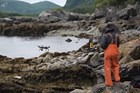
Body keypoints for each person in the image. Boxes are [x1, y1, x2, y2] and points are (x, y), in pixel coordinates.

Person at [99, 23, 120, 87]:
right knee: (116, 65)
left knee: (107, 67)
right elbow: (118, 44)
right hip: (115, 52)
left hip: (108, 53)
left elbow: (103, 45)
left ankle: (108, 83)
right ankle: (117, 79)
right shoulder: (117, 35)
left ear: (107, 29)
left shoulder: (106, 35)